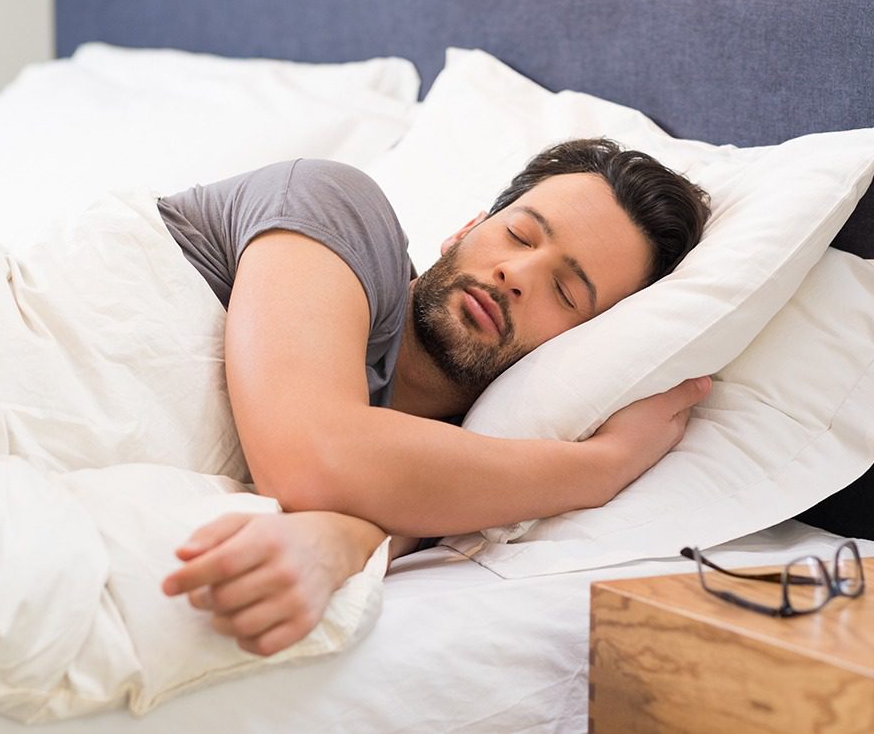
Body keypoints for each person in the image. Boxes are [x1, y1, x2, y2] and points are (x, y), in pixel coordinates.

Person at [160, 138, 711, 656]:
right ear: (468, 227)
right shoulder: (336, 206)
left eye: (566, 293)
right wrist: (606, 464)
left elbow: (381, 487)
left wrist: (344, 537)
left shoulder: (469, 471)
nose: (515, 274)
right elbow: (314, 459)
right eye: (519, 235)